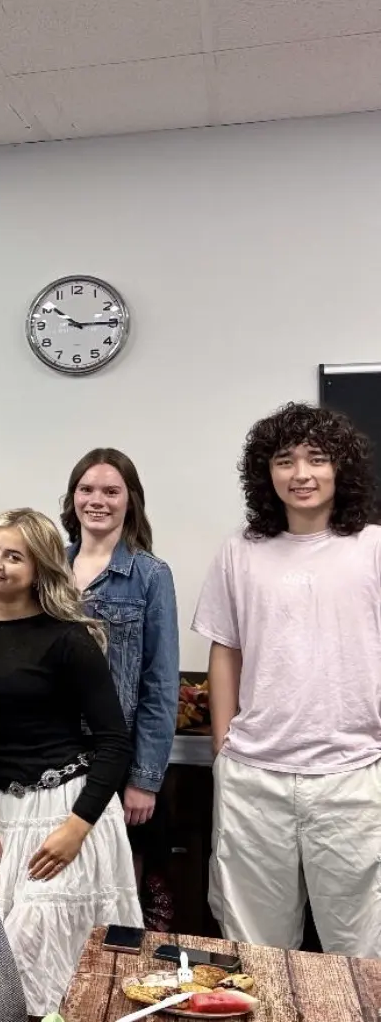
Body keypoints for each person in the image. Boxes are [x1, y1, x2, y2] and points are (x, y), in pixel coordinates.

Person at [193, 402, 381, 957]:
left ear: (340, 467)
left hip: (353, 776)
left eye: (316, 459)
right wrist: (224, 748)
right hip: (254, 779)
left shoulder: (373, 547)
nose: (301, 474)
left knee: (363, 949)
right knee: (255, 948)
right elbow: (225, 651)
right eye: (285, 461)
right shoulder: (240, 550)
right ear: (265, 473)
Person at [0, 508, 139, 1016]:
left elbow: (114, 743)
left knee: (54, 966)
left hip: (67, 811)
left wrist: (76, 828)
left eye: (15, 556)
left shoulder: (69, 638)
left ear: (39, 569)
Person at [63, 448, 179, 926]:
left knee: (118, 898)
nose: (98, 501)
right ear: (71, 499)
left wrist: (143, 780)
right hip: (55, 756)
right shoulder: (49, 568)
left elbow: (160, 682)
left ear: (130, 501)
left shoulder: (150, 575)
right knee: (64, 892)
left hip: (119, 758)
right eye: (87, 490)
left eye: (111, 491)